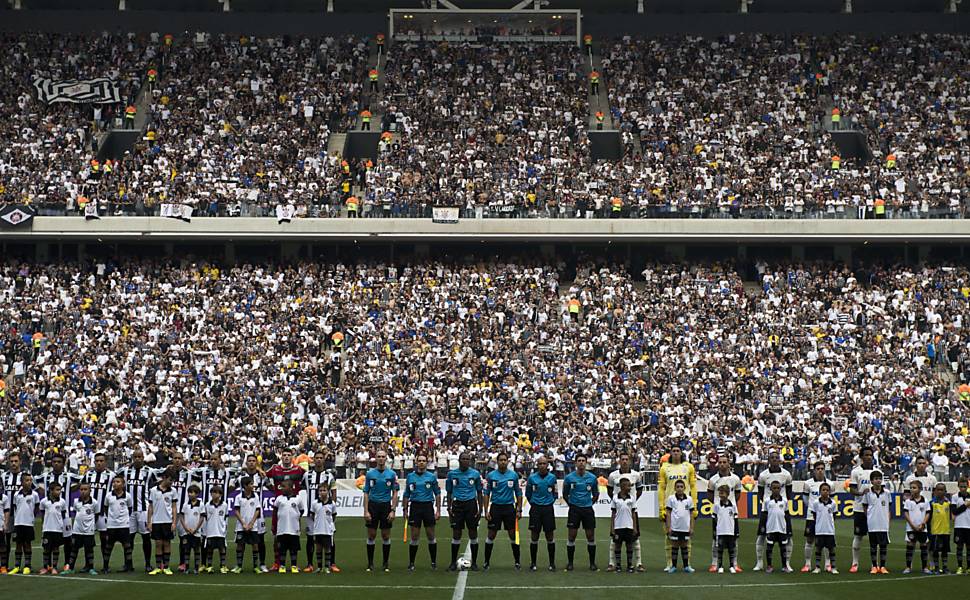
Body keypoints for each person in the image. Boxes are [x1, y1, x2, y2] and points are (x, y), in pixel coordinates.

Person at [482, 451, 522, 571]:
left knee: (513, 535)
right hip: (496, 508)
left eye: (505, 460)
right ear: (497, 462)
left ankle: (517, 562)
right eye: (501, 460)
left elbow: (518, 493)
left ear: (508, 461)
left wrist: (519, 509)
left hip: (509, 508)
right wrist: (486, 510)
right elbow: (486, 493)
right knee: (491, 534)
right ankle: (486, 562)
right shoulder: (491, 476)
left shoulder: (513, 475)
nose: (503, 462)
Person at [753, 451, 793, 571]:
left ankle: (787, 563)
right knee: (761, 535)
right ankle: (759, 562)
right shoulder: (763, 475)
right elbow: (760, 493)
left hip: (782, 509)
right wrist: (768, 503)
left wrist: (782, 503)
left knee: (788, 537)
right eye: (772, 458)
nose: (775, 460)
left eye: (777, 458)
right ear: (768, 460)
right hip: (767, 509)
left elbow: (789, 492)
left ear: (780, 460)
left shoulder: (786, 475)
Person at [658, 447, 697, 570]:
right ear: (670, 453)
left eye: (677, 451)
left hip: (685, 506)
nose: (675, 453)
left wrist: (694, 506)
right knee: (668, 535)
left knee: (687, 537)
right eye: (673, 451)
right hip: (670, 505)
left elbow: (693, 486)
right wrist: (661, 507)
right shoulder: (664, 467)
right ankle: (670, 563)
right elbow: (661, 488)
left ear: (681, 453)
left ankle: (687, 564)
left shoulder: (689, 467)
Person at [265, 449, 304, 570]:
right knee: (276, 535)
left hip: (293, 507)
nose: (286, 457)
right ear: (281, 457)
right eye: (284, 455)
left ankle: (293, 564)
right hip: (279, 506)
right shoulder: (275, 468)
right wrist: (273, 490)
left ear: (292, 457)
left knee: (293, 537)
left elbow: (308, 478)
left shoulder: (298, 469)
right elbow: (263, 476)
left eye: (288, 455)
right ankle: (277, 563)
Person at [402, 452, 441, 571]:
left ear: (426, 463)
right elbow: (406, 494)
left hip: (428, 507)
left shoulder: (431, 476)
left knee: (430, 535)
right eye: (419, 461)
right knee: (414, 536)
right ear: (416, 462)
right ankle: (411, 562)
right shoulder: (410, 477)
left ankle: (433, 562)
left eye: (424, 461)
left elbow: (437, 493)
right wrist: (405, 510)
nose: (422, 462)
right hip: (415, 507)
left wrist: (438, 510)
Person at [37, 453, 76, 572]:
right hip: (51, 518)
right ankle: (48, 565)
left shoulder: (69, 476)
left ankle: (67, 564)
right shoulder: (46, 476)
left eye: (59, 462)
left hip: (65, 516)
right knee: (49, 544)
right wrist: (42, 490)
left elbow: (83, 480)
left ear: (63, 464)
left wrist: (71, 490)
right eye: (54, 462)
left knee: (67, 541)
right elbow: (34, 482)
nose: (56, 464)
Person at [445, 451, 484, 571]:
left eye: (468, 459)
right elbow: (449, 492)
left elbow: (479, 492)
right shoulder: (452, 474)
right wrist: (449, 507)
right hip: (457, 505)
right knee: (456, 533)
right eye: (463, 459)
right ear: (459, 460)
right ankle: (452, 562)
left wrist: (480, 508)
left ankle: (474, 563)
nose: (466, 461)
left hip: (471, 504)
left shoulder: (475, 474)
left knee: (473, 532)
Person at [120, 449, 156, 572]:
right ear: (132, 458)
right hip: (129, 511)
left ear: (143, 457)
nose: (137, 459)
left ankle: (147, 564)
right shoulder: (126, 471)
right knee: (129, 539)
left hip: (143, 511)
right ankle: (128, 564)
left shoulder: (149, 471)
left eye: (140, 456)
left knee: (146, 538)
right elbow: (114, 478)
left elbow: (159, 481)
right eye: (135, 457)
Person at [363, 450, 399, 572]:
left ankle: (385, 563)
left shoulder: (392, 474)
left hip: (385, 506)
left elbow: (395, 493)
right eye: (379, 457)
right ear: (375, 459)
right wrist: (366, 510)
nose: (381, 459)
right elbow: (366, 492)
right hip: (373, 506)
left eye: (383, 457)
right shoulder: (370, 474)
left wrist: (393, 510)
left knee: (385, 535)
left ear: (386, 458)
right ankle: (370, 563)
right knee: (371, 535)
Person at [607, 452, 644, 572]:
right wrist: (618, 502)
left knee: (635, 537)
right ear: (619, 461)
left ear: (630, 461)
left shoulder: (636, 475)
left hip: (631, 510)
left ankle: (638, 563)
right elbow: (609, 490)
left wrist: (631, 502)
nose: (624, 461)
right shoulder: (613, 475)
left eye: (626, 459)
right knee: (614, 539)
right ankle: (612, 563)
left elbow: (639, 490)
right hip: (618, 511)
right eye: (622, 459)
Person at [302, 450, 339, 572]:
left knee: (330, 537)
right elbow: (300, 488)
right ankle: (310, 564)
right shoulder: (307, 475)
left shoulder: (329, 476)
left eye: (321, 458)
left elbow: (333, 492)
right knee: (310, 538)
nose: (318, 460)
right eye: (316, 458)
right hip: (311, 512)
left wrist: (331, 506)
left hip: (325, 512)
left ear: (324, 460)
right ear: (313, 460)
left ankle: (332, 563)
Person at [563, 454, 600, 571]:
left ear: (586, 462)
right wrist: (572, 505)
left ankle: (592, 563)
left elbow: (596, 494)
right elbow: (565, 494)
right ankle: (570, 563)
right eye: (579, 461)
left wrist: (588, 503)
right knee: (572, 536)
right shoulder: (569, 478)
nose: (581, 463)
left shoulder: (592, 478)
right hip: (574, 510)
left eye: (583, 460)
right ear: (575, 463)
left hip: (587, 509)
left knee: (590, 536)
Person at [706, 455, 741, 573]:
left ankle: (734, 564)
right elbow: (710, 496)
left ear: (728, 464)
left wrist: (730, 504)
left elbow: (737, 495)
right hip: (719, 512)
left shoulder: (736, 479)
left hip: (731, 512)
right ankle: (714, 563)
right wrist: (719, 504)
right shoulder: (713, 480)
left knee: (734, 539)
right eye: (720, 462)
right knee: (715, 538)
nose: (722, 464)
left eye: (724, 462)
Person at [81, 453, 114, 574]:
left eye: (101, 461)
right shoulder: (88, 474)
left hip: (103, 513)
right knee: (88, 540)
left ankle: (106, 565)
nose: (99, 463)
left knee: (104, 540)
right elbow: (82, 489)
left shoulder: (111, 476)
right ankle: (88, 564)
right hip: (89, 513)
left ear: (105, 462)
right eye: (97, 461)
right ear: (94, 462)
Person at [524, 455, 558, 572]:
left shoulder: (552, 478)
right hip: (536, 509)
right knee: (534, 536)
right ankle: (533, 563)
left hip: (548, 509)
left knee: (550, 536)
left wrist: (548, 502)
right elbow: (528, 494)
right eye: (540, 464)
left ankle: (552, 563)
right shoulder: (532, 478)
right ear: (537, 465)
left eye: (544, 463)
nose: (542, 465)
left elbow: (555, 493)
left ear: (547, 465)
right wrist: (535, 503)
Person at [848, 447, 876, 573]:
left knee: (873, 538)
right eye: (866, 455)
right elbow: (852, 489)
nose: (869, 457)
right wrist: (860, 493)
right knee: (858, 536)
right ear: (861, 457)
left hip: (874, 509)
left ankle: (874, 565)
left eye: (870, 455)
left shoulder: (877, 471)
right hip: (859, 508)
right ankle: (855, 563)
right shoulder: (856, 472)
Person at [800, 461, 831, 572]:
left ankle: (828, 564)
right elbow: (805, 499)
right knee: (810, 539)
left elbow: (833, 500)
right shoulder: (808, 483)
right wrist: (813, 508)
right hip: (811, 516)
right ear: (814, 470)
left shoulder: (830, 483)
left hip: (825, 517)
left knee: (827, 540)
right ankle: (807, 564)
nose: (820, 470)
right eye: (818, 468)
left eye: (822, 468)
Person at [146, 470, 177, 576]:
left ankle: (167, 567)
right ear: (164, 477)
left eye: (172, 481)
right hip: (156, 521)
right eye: (170, 480)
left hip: (168, 521)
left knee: (167, 543)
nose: (171, 483)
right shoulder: (153, 490)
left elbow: (174, 507)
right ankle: (158, 567)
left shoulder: (173, 491)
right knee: (158, 544)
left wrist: (174, 522)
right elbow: (150, 507)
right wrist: (149, 521)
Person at [861, 470, 891, 574]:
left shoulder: (887, 493)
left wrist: (888, 521)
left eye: (879, 479)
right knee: (873, 546)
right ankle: (874, 566)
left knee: (883, 546)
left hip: (883, 524)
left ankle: (882, 566)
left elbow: (888, 508)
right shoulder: (867, 493)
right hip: (872, 524)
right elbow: (865, 506)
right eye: (876, 479)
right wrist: (869, 516)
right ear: (872, 481)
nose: (878, 481)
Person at [102, 475, 135, 573]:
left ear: (123, 484)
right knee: (108, 546)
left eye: (118, 482)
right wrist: (111, 518)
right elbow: (106, 507)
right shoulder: (109, 495)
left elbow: (129, 508)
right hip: (112, 525)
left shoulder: (127, 496)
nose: (115, 484)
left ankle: (128, 566)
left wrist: (124, 519)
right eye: (114, 482)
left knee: (127, 546)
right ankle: (105, 566)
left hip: (123, 525)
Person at [233, 476, 265, 573]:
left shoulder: (255, 496)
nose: (253, 485)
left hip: (253, 526)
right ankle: (239, 566)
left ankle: (256, 566)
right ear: (245, 486)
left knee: (255, 545)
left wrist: (251, 523)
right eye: (251, 484)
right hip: (241, 526)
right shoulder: (238, 497)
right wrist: (243, 523)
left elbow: (257, 510)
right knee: (240, 545)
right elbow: (236, 511)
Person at [664, 479, 695, 573]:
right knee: (675, 546)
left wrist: (691, 527)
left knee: (685, 546)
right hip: (675, 527)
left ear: (684, 488)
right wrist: (668, 526)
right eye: (677, 487)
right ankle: (673, 566)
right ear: (675, 488)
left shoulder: (689, 499)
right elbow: (668, 513)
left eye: (681, 487)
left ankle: (686, 566)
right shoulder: (671, 499)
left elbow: (691, 514)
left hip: (685, 527)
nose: (679, 489)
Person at [610, 476, 639, 574]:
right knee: (617, 546)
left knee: (629, 545)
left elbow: (633, 513)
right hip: (618, 526)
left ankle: (629, 565)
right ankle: (618, 566)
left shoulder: (632, 498)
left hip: (629, 526)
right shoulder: (615, 498)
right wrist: (612, 528)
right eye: (628, 486)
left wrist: (634, 527)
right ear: (622, 486)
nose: (630, 488)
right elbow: (613, 514)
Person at [68, 481, 98, 575]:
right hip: (77, 530)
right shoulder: (76, 501)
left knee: (89, 550)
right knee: (74, 549)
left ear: (90, 490)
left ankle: (91, 568)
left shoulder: (94, 503)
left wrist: (91, 526)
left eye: (85, 489)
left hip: (89, 531)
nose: (83, 491)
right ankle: (70, 568)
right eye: (81, 489)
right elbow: (77, 512)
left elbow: (96, 515)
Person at [762, 480, 792, 574]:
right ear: (770, 489)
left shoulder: (784, 501)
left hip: (781, 528)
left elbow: (787, 515)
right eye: (774, 488)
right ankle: (769, 566)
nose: (776, 490)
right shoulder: (767, 501)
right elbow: (764, 514)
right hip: (771, 528)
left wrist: (789, 529)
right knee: (769, 547)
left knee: (783, 547)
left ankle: (784, 566)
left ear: (780, 489)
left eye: (778, 488)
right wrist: (763, 527)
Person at [274, 480, 303, 574]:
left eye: (284, 486)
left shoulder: (298, 498)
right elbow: (275, 511)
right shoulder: (279, 498)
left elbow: (301, 510)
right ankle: (282, 566)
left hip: (294, 528)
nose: (282, 488)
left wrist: (295, 517)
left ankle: (294, 565)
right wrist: (274, 525)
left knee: (293, 548)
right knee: (282, 548)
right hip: (282, 528)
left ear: (291, 487)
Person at [39, 481, 68, 574]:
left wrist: (63, 527)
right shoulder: (44, 501)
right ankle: (46, 567)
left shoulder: (62, 502)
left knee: (56, 548)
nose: (59, 492)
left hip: (58, 529)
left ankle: (54, 567)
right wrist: (44, 526)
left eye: (60, 490)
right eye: (57, 490)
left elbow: (63, 515)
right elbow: (42, 515)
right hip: (47, 529)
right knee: (46, 549)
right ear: (51, 490)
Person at [902, 480, 931, 574]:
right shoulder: (908, 501)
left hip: (922, 528)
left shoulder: (925, 501)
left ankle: (925, 567)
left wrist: (923, 523)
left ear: (920, 489)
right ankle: (908, 567)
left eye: (914, 488)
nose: (912, 489)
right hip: (911, 528)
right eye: (911, 488)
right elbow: (906, 514)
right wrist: (912, 525)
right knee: (910, 546)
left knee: (923, 546)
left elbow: (927, 513)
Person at [809, 482, 838, 574]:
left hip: (829, 531)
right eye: (823, 490)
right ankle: (817, 567)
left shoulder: (833, 503)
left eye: (827, 490)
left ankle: (833, 567)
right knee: (818, 548)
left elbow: (834, 515)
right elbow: (814, 515)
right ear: (820, 491)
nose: (825, 492)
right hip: (819, 530)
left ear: (829, 492)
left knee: (831, 549)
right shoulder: (816, 503)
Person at [308, 486, 337, 573]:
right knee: (318, 548)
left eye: (324, 490)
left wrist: (329, 524)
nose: (322, 492)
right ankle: (319, 567)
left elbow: (334, 515)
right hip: (317, 530)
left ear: (328, 491)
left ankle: (327, 567)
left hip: (327, 530)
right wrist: (317, 523)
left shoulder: (332, 503)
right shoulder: (315, 503)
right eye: (320, 490)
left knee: (328, 548)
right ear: (318, 492)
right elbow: (312, 515)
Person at [179, 484, 206, 574]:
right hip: (187, 532)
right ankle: (186, 568)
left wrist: (196, 529)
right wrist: (186, 528)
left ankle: (196, 568)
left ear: (197, 494)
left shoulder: (201, 504)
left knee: (196, 550)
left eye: (192, 492)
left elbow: (202, 518)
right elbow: (181, 517)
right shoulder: (185, 504)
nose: (190, 494)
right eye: (189, 492)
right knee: (187, 550)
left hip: (196, 532)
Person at [712, 484, 739, 574]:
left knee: (731, 549)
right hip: (720, 531)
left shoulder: (733, 506)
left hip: (730, 531)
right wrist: (714, 531)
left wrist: (736, 531)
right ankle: (720, 566)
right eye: (720, 493)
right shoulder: (716, 505)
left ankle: (731, 566)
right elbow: (714, 519)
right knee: (720, 549)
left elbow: (735, 519)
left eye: (722, 493)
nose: (721, 495)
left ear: (727, 494)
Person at [203, 486, 230, 574]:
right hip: (210, 531)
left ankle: (222, 566)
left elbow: (226, 518)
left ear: (220, 494)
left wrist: (225, 528)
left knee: (222, 549)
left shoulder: (224, 505)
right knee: (210, 549)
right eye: (212, 492)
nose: (214, 494)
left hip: (220, 531)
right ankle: (209, 566)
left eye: (216, 492)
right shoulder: (207, 505)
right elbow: (205, 518)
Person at [928, 482, 952, 574]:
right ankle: (936, 567)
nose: (940, 492)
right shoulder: (932, 503)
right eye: (938, 490)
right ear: (935, 491)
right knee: (935, 550)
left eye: (942, 490)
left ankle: (945, 567)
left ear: (945, 491)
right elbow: (929, 517)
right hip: (935, 531)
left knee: (945, 551)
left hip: (946, 531)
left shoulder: (948, 503)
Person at [951, 476, 970, 574]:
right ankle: (959, 566)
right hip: (959, 525)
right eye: (961, 486)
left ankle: (969, 567)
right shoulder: (955, 497)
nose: (963, 488)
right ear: (958, 486)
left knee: (969, 547)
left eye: (965, 486)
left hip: (969, 525)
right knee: (959, 547)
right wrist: (965, 505)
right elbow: (954, 511)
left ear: (967, 486)